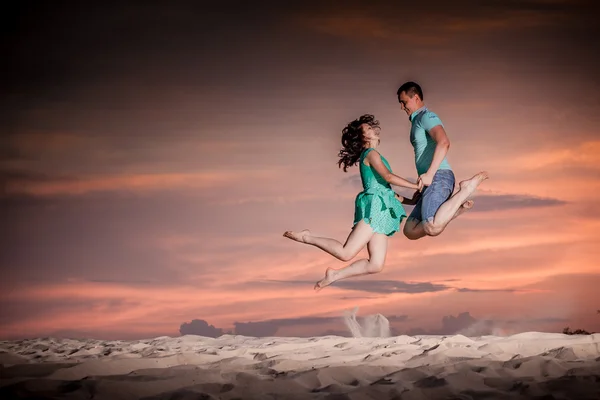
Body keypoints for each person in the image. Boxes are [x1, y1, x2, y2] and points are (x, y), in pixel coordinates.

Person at [283, 114, 422, 291]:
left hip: (383, 209)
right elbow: (388, 177)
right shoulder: (371, 154)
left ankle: (335, 275)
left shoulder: (376, 155)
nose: (373, 129)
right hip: (374, 208)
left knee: (376, 265)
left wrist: (411, 201)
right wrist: (414, 185)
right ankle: (307, 237)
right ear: (363, 138)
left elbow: (387, 190)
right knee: (346, 252)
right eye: (369, 129)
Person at [397, 81, 489, 240]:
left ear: (416, 98)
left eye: (404, 102)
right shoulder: (417, 120)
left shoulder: (427, 116)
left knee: (431, 227)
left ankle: (466, 189)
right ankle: (456, 209)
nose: (402, 107)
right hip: (430, 182)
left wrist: (430, 175)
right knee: (410, 230)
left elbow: (444, 142)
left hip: (438, 176)